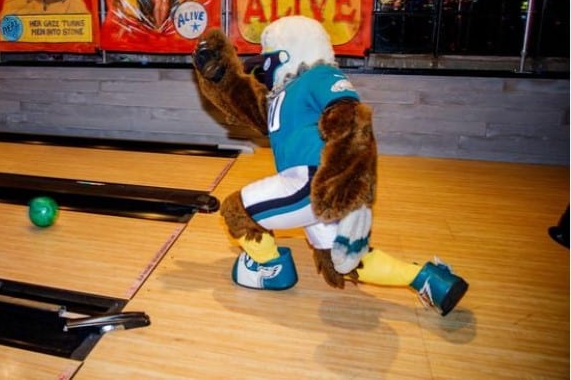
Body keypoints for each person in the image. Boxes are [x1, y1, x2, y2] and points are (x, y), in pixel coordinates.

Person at [192, 16, 469, 316]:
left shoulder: (320, 76)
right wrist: (219, 75)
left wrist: (351, 194)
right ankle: (428, 279)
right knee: (343, 260)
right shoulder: (285, 95)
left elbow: (352, 124)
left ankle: (271, 268)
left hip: (316, 181)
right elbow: (249, 105)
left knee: (238, 210)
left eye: (267, 62)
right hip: (310, 184)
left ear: (287, 55)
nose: (263, 70)